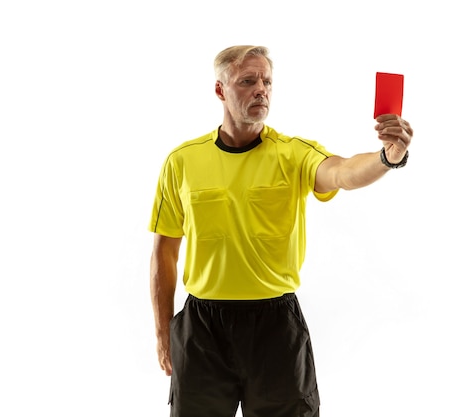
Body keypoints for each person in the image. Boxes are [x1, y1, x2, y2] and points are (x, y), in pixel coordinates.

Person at [149, 45, 414, 417]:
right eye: (248, 81)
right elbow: (164, 251)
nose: (261, 89)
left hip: (276, 325)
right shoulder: (182, 161)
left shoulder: (293, 154)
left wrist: (387, 157)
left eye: (267, 81)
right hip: (202, 328)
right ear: (220, 90)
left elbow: (342, 172)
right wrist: (163, 334)